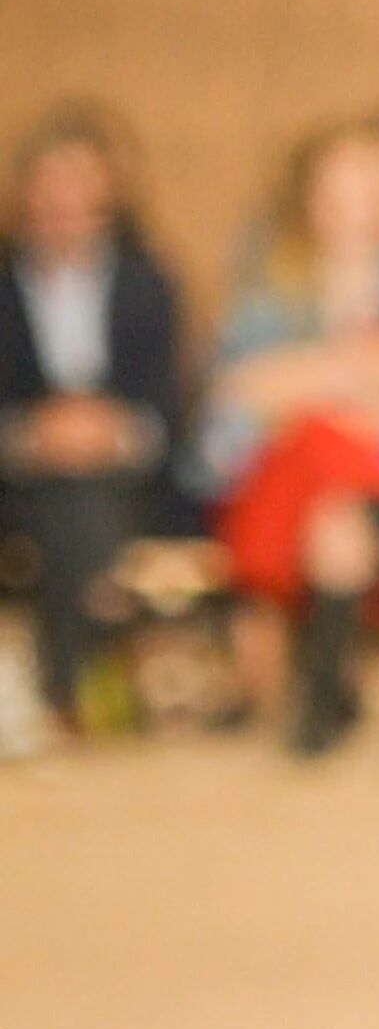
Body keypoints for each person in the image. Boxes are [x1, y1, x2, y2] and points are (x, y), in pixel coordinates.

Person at [204, 115, 379, 753]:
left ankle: (322, 716)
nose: (356, 208)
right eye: (340, 191)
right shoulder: (270, 289)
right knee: (326, 457)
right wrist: (355, 376)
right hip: (289, 497)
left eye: (370, 189)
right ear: (311, 201)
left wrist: (303, 381)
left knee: (340, 517)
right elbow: (228, 420)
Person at [0, 105, 201, 727]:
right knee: (70, 498)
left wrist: (107, 433)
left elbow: (168, 414)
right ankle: (90, 672)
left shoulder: (148, 283)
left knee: (83, 497)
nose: (63, 201)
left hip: (126, 481)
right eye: (51, 184)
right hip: (20, 479)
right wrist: (35, 435)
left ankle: (66, 689)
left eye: (78, 184)